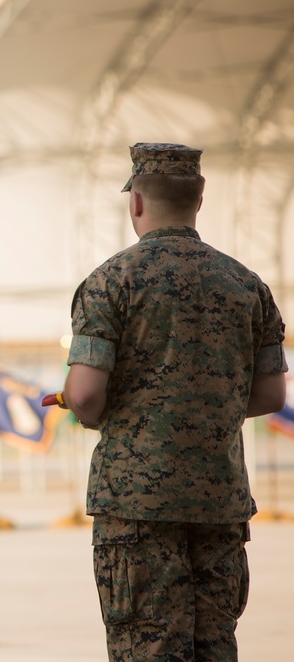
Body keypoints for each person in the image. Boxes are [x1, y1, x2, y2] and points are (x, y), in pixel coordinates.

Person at [59, 143, 287, 662]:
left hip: (136, 505)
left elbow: (87, 392)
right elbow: (272, 394)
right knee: (214, 646)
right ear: (199, 202)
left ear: (136, 203)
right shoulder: (248, 285)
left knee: (149, 647)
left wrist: (85, 406)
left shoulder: (111, 282)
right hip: (219, 498)